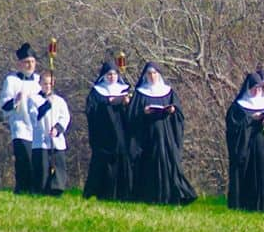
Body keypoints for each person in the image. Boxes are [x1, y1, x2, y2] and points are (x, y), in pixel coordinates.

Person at [127, 63, 197, 205]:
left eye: (155, 73)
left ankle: (172, 196)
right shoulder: (140, 93)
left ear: (159, 75)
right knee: (149, 164)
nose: (152, 76)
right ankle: (149, 196)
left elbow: (179, 114)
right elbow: (131, 116)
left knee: (169, 163)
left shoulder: (168, 92)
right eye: (149, 74)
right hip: (147, 137)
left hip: (166, 136)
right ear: (146, 76)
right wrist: (143, 113)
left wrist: (173, 110)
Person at [225, 72, 264, 212]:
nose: (257, 90)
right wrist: (251, 120)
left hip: (261, 142)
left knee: (262, 169)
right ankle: (243, 203)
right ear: (248, 88)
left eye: (260, 87)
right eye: (255, 87)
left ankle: (261, 204)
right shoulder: (238, 106)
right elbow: (233, 127)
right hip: (245, 147)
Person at [84, 62, 133, 200]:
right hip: (104, 134)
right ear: (104, 76)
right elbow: (90, 111)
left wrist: (126, 103)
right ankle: (102, 192)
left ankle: (123, 193)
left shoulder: (124, 90)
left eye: (114, 74)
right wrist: (107, 103)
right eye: (109, 74)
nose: (112, 77)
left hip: (121, 132)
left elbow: (131, 114)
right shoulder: (96, 92)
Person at [1, 43, 41, 194]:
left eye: (32, 62)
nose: (30, 65)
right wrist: (15, 100)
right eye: (26, 62)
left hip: (37, 127)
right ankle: (22, 188)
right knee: (24, 158)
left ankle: (36, 189)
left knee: (36, 159)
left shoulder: (39, 80)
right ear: (20, 64)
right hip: (21, 126)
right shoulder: (11, 80)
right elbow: (4, 105)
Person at [28, 69, 70, 196]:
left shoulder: (59, 100)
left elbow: (65, 117)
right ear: (40, 83)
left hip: (56, 140)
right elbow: (34, 116)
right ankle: (41, 189)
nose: (47, 86)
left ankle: (57, 188)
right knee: (42, 167)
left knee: (58, 165)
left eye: (50, 84)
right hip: (41, 140)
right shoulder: (34, 99)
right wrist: (46, 106)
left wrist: (57, 129)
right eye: (45, 83)